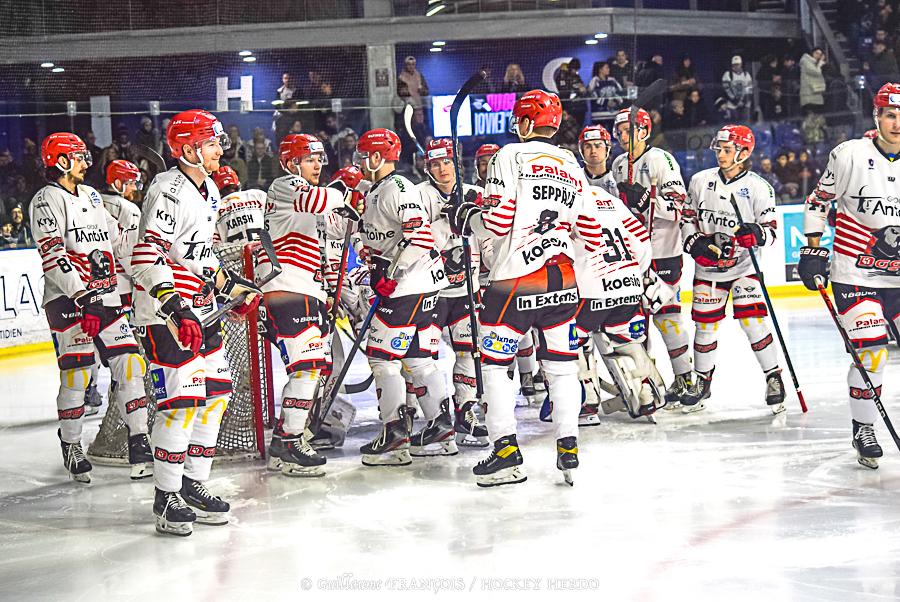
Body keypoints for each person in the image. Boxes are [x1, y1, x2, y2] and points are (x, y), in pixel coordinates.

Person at [443, 90, 590, 487]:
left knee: (494, 366)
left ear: (525, 123)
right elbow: (589, 228)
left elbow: (497, 219)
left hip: (515, 283)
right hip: (563, 279)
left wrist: (467, 217)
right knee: (561, 368)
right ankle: (568, 448)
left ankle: (506, 452)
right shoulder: (571, 162)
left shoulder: (509, 155)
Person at [131, 110, 261, 536]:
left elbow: (199, 257)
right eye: (211, 143)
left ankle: (192, 485)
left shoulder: (206, 189)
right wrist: (174, 307)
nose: (220, 150)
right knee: (182, 402)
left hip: (201, 309)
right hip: (169, 316)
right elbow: (147, 256)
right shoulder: (168, 189)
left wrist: (229, 289)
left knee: (216, 395)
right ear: (188, 149)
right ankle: (165, 497)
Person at [29, 133, 150, 486]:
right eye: (79, 157)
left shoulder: (93, 195)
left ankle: (139, 442)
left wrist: (143, 272)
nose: (86, 162)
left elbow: (115, 244)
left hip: (106, 296)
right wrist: (83, 297)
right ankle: (71, 442)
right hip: (69, 300)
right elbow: (54, 257)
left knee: (130, 364)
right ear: (62, 161)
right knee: (79, 375)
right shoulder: (45, 200)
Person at [798, 83, 900, 469]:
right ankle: (864, 428)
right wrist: (812, 247)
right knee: (872, 351)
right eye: (890, 114)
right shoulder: (850, 155)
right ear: (877, 117)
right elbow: (818, 202)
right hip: (856, 275)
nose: (897, 123)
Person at [252, 134, 362, 476]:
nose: (317, 165)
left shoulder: (308, 197)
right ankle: (288, 440)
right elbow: (317, 200)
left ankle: (291, 436)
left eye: (319, 159)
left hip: (308, 290)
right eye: (309, 159)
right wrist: (343, 186)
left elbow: (335, 229)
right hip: (287, 288)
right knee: (307, 365)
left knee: (315, 366)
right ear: (290, 163)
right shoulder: (285, 186)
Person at [354, 128, 448, 466]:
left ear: (378, 157)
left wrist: (391, 273)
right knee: (418, 358)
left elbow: (421, 236)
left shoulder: (397, 187)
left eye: (365, 155)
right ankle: (440, 425)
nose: (362, 161)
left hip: (408, 287)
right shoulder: (378, 189)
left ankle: (394, 435)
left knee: (382, 359)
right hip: (424, 287)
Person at [680, 125, 785, 413]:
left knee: (752, 322)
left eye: (728, 150)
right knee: (705, 327)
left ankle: (774, 376)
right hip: (708, 269)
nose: (721, 154)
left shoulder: (759, 188)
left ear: (744, 152)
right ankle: (702, 381)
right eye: (720, 149)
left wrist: (759, 234)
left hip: (743, 268)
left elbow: (772, 230)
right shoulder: (701, 181)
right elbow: (687, 218)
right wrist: (694, 242)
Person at [610, 107, 693, 406]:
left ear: (644, 132)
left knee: (667, 318)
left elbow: (678, 210)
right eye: (618, 131)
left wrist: (645, 200)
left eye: (628, 131)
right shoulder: (619, 164)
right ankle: (647, 380)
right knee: (636, 322)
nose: (622, 136)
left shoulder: (660, 159)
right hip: (633, 255)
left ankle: (686, 379)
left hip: (663, 253)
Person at [417, 138, 491, 450]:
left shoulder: (475, 193)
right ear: (427, 168)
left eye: (446, 162)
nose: (442, 169)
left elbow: (492, 233)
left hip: (467, 291)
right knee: (422, 358)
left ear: (456, 163)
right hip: (431, 292)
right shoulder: (419, 195)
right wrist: (441, 223)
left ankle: (466, 412)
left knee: (468, 352)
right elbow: (415, 235)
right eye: (435, 164)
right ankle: (436, 418)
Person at [578, 124, 616, 196]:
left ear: (607, 149)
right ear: (582, 151)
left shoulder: (617, 179)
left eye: (598, 146)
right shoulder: (574, 177)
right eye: (588, 147)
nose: (593, 151)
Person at [720, 55, 754, 123]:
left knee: (745, 125)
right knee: (734, 125)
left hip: (745, 104)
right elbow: (727, 90)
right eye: (734, 65)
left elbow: (749, 89)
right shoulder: (727, 75)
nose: (736, 66)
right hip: (732, 105)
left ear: (741, 64)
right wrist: (736, 101)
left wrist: (744, 101)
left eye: (737, 64)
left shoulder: (746, 74)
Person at [800, 47, 827, 114]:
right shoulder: (806, 61)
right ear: (812, 53)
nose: (818, 56)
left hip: (816, 94)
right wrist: (820, 63)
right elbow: (815, 72)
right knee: (811, 118)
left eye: (820, 54)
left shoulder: (815, 64)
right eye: (816, 53)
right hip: (809, 96)